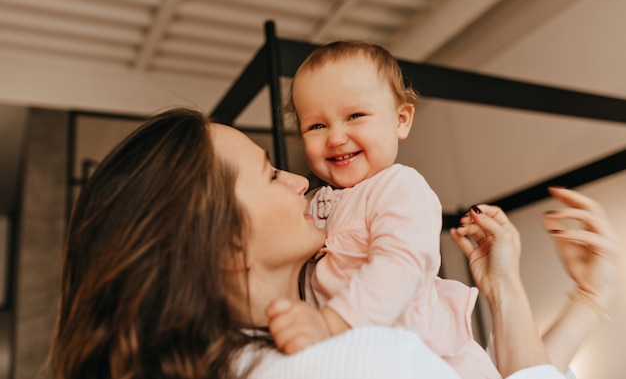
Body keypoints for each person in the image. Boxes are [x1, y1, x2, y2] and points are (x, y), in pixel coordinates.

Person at [48, 108, 619, 379]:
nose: (301, 180)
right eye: (271, 173)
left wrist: (577, 300)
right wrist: (511, 292)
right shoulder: (354, 360)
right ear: (225, 244)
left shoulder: (258, 357)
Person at [278, 40, 499, 379]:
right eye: (317, 126)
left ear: (400, 120)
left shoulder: (400, 187)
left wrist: (332, 322)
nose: (336, 137)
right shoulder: (318, 203)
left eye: (355, 116)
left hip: (433, 360)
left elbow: (400, 263)